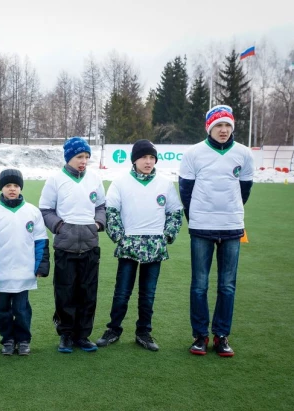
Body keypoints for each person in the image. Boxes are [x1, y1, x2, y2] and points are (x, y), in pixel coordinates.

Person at [179, 105, 254, 357]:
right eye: (218, 126)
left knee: (227, 286)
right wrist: (198, 217)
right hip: (201, 227)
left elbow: (244, 190)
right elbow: (185, 191)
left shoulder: (243, 154)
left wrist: (229, 213)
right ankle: (200, 335)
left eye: (227, 126)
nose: (223, 130)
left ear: (232, 127)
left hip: (232, 227)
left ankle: (221, 336)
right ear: (209, 128)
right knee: (199, 284)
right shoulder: (193, 153)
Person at [96, 140, 183, 352]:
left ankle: (143, 332)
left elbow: (175, 212)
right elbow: (111, 212)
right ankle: (114, 329)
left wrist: (167, 236)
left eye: (152, 158)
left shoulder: (164, 183)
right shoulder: (120, 182)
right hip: (129, 245)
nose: (148, 161)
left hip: (155, 247)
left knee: (148, 293)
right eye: (144, 157)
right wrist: (119, 237)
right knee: (122, 292)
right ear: (134, 160)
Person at [38, 137, 105, 353]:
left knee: (88, 292)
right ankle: (66, 334)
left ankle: (83, 335)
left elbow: (102, 207)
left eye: (86, 157)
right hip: (65, 247)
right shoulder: (55, 180)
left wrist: (97, 224)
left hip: (90, 246)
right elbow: (45, 210)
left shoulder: (95, 179)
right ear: (69, 157)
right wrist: (59, 227)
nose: (83, 161)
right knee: (65, 292)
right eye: (79, 157)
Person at [0, 169, 50, 356]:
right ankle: (8, 340)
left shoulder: (32, 211)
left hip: (24, 272)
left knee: (22, 309)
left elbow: (41, 242)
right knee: (3, 310)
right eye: (8, 185)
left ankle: (24, 340)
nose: (12, 189)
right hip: (1, 274)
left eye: (16, 185)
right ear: (1, 188)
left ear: (20, 188)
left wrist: (40, 266)